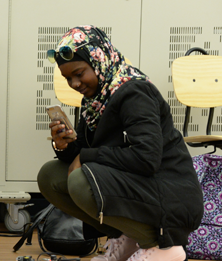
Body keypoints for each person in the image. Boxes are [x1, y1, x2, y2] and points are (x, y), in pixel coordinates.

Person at [37, 26, 203, 261]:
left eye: (79, 73)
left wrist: (85, 157)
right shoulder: (95, 100)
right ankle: (130, 238)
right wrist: (65, 146)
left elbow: (147, 159)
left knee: (82, 179)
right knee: (51, 176)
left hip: (169, 193)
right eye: (68, 78)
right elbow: (86, 150)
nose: (74, 83)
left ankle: (163, 247)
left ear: (99, 60)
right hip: (137, 186)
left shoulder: (134, 92)